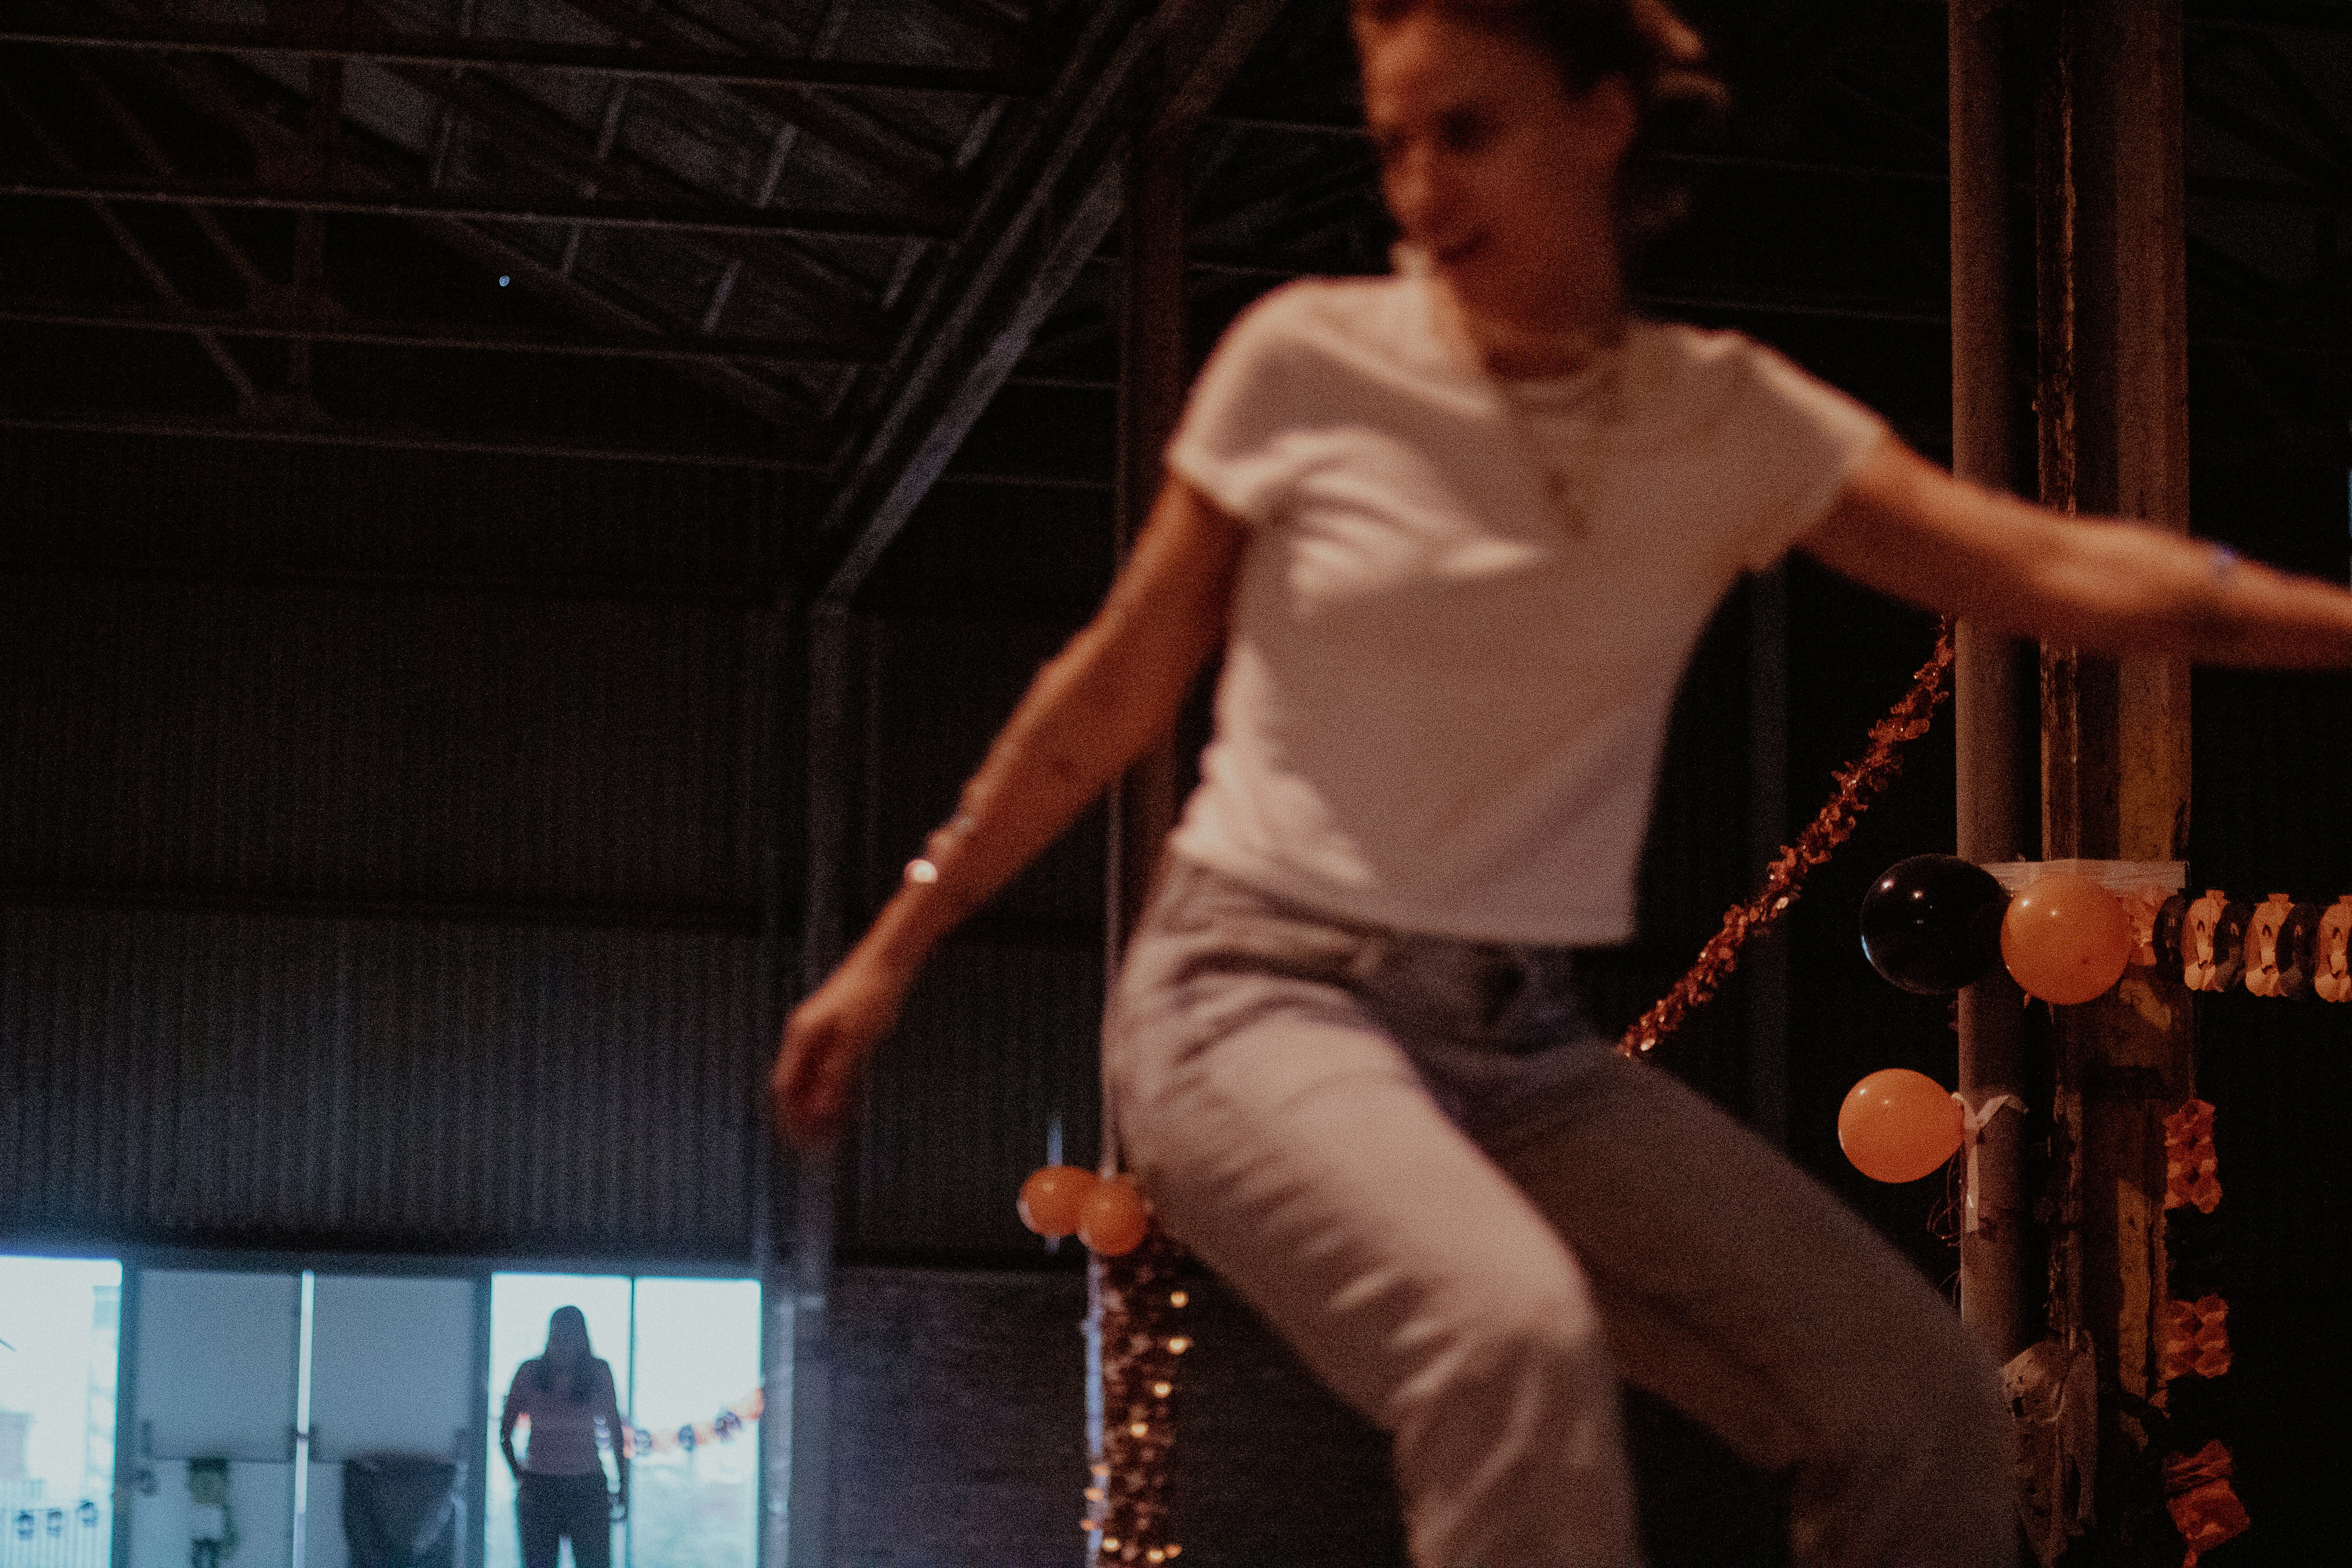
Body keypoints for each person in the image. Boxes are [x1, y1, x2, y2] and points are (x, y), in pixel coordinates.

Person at [774, 2, 2352, 1563]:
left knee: (1916, 1397)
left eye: (1466, 132)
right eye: (1394, 143)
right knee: (1507, 1345)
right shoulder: (1308, 364)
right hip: (1249, 999)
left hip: (1516, 1047)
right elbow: (1112, 683)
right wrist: (893, 946)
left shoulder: (1712, 415)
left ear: (1603, 117)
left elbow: (2058, 565)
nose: (1420, 190)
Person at [499, 1306, 627, 1568]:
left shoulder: (598, 1372)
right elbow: (505, 1434)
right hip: (542, 1489)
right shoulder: (530, 1373)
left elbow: (616, 1433)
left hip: (585, 1488)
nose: (566, 1342)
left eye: (570, 1334)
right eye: (561, 1334)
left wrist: (624, 1485)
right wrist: (520, 1475)